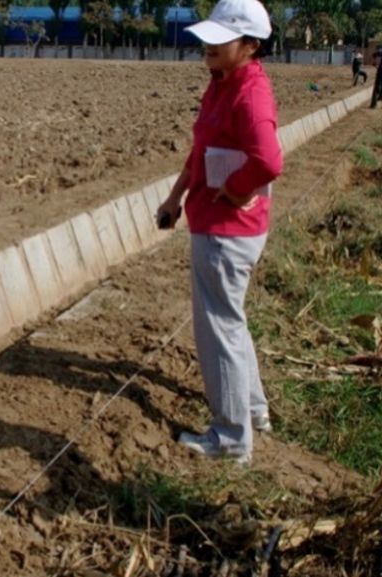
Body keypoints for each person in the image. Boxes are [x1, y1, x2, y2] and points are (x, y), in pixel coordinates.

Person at [156, 0, 283, 466]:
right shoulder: (221, 85)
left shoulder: (250, 94)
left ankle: (231, 439)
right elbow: (200, 150)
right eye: (207, 37)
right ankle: (254, 412)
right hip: (214, 224)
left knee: (219, 330)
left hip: (228, 233)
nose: (207, 46)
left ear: (249, 45)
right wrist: (175, 198)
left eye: (220, 39)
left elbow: (269, 161)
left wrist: (233, 190)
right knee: (230, 321)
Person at [371, 44, 382, 108]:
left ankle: (374, 104)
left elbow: (375, 55)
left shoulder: (379, 51)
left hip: (380, 71)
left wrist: (374, 63)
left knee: (377, 86)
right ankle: (380, 98)